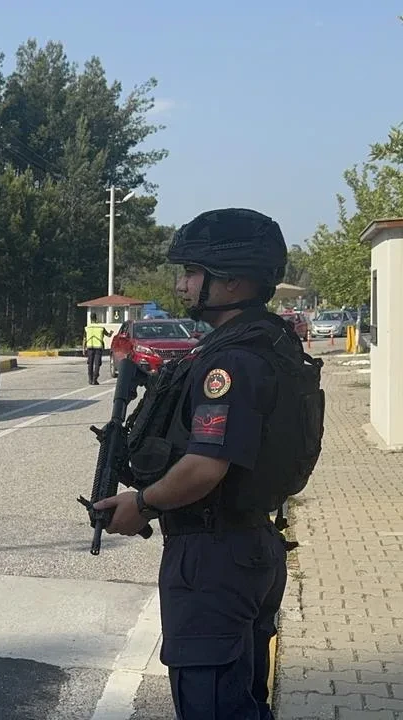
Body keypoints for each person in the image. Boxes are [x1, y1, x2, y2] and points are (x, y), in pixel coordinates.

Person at [93, 208, 297, 720]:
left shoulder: (230, 362)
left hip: (214, 559)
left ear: (232, 280)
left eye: (191, 272)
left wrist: (142, 504)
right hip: (248, 544)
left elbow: (206, 467)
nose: (181, 284)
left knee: (213, 708)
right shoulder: (266, 340)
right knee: (244, 701)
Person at [84, 316, 112, 385]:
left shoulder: (87, 328)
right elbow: (108, 335)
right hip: (98, 348)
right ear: (96, 319)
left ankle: (90, 379)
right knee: (97, 364)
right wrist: (111, 333)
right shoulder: (101, 328)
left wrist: (83, 348)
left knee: (90, 364)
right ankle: (95, 379)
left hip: (90, 347)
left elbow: (84, 339)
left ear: (90, 319)